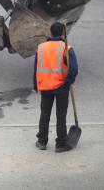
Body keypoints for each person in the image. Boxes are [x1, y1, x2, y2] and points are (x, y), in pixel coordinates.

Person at [34, 22, 78, 153]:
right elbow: (74, 69)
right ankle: (60, 144)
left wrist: (35, 85)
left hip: (45, 87)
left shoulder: (41, 48)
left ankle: (42, 141)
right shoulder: (67, 48)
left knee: (45, 114)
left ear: (50, 32)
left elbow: (35, 67)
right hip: (61, 88)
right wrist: (68, 82)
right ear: (63, 33)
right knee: (61, 115)